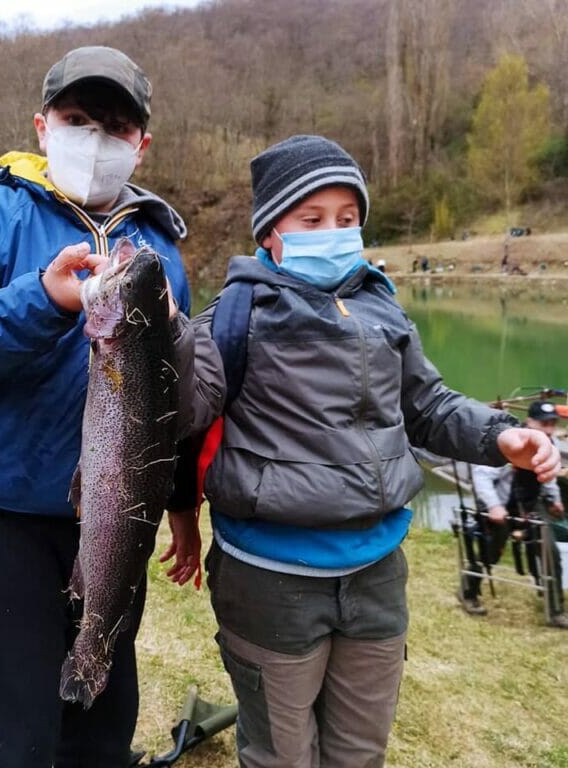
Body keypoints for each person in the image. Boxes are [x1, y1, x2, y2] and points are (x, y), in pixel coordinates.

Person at [0, 45, 223, 768]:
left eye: (115, 126)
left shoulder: (159, 245)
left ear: (142, 144)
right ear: (42, 126)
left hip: (118, 526)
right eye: (77, 119)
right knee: (8, 741)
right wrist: (39, 299)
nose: (95, 140)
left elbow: (176, 409)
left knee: (100, 732)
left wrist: (176, 335)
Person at [181, 135, 560, 768]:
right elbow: (181, 412)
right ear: (270, 230)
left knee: (360, 753)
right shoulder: (230, 317)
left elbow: (429, 406)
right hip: (271, 580)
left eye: (347, 218)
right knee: (279, 756)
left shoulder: (381, 305)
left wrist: (501, 437)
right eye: (313, 219)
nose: (334, 232)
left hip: (378, 574)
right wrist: (158, 335)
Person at [462, 400, 567, 627]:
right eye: (543, 423)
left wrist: (555, 502)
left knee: (552, 554)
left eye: (552, 423)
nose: (548, 428)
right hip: (502, 505)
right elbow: (482, 476)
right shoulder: (513, 442)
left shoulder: (550, 445)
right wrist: (493, 506)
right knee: (489, 553)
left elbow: (548, 478)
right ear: (529, 421)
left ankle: (555, 609)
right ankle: (469, 592)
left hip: (531, 508)